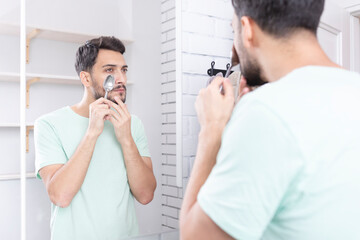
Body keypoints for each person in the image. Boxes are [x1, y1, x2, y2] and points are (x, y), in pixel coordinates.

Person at [180, 0, 360, 239]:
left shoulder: (265, 110)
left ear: (247, 29)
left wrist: (211, 130)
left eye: (234, 29)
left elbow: (196, 237)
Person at [34, 36, 156, 240]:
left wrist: (126, 139)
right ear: (86, 78)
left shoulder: (133, 124)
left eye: (123, 70)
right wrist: (92, 133)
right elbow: (60, 196)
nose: (121, 79)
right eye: (110, 70)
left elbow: (145, 195)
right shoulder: (48, 125)